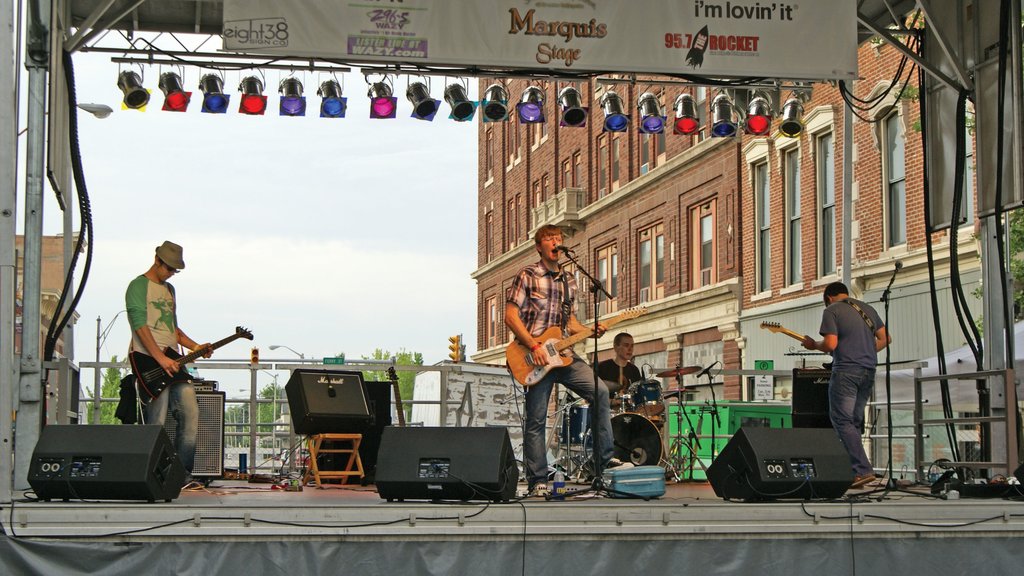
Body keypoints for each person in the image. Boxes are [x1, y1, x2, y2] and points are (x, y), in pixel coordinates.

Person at [505, 225, 628, 496]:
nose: (556, 243)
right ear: (539, 247)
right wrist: (534, 345)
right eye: (550, 239)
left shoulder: (569, 279)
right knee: (536, 419)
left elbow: (569, 322)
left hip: (564, 356)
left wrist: (588, 331)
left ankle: (603, 463)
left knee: (600, 392)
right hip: (534, 358)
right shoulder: (528, 275)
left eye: (559, 239)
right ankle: (538, 480)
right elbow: (510, 316)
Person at [126, 241, 211, 483]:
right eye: (170, 268)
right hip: (147, 358)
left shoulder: (170, 290)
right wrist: (160, 358)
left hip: (172, 358)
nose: (172, 273)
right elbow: (140, 326)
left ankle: (181, 474)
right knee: (157, 418)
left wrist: (195, 346)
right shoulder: (137, 286)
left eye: (176, 270)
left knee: (190, 411)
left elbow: (172, 328)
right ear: (157, 260)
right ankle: (152, 474)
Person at [802, 281, 891, 488]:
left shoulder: (832, 310)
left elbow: (831, 344)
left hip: (846, 371)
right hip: (868, 370)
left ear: (829, 298)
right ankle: (856, 471)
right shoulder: (867, 308)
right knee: (854, 421)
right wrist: (864, 351)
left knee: (842, 421)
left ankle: (862, 469)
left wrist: (813, 345)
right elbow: (886, 338)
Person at [597, 332, 642, 408]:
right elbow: (593, 394)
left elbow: (639, 395)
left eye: (632, 346)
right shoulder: (603, 367)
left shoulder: (634, 370)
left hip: (630, 412)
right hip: (608, 413)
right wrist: (613, 402)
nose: (630, 349)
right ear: (616, 347)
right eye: (626, 345)